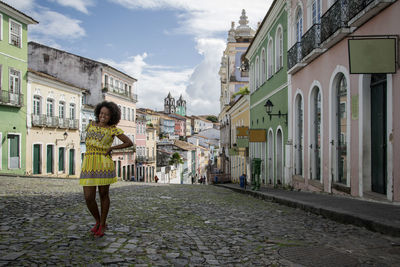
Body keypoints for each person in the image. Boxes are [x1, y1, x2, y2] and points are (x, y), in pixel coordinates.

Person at [80, 101, 133, 237]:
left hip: (103, 163)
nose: (103, 116)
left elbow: (128, 142)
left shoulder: (112, 129)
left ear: (112, 116)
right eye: (102, 113)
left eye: (107, 114)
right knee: (88, 197)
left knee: (103, 195)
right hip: (89, 162)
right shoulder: (90, 125)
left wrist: (111, 148)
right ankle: (97, 220)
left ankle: (102, 224)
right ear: (98, 113)